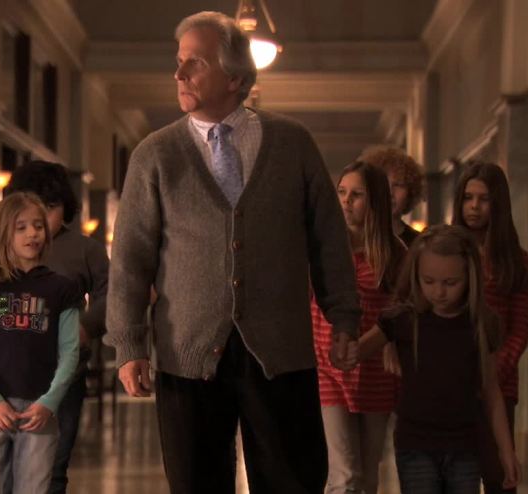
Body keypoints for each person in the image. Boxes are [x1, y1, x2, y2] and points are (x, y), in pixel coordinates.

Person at [104, 10, 361, 493]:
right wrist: (129, 345)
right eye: (179, 61)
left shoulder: (293, 144)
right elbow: (131, 260)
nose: (179, 74)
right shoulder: (155, 155)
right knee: (195, 482)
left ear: (236, 78)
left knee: (294, 480)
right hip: (186, 352)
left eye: (195, 63)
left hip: (280, 349)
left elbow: (328, 238)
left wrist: (343, 316)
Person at [0, 160, 109, 494]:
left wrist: (84, 329)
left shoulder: (73, 269)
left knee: (45, 478)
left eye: (41, 220)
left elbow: (81, 336)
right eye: (21, 226)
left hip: (47, 393)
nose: (34, 232)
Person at [359, 225, 521, 493]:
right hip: (415, 444)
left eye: (450, 283)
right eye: (429, 281)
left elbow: (492, 393)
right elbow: (356, 352)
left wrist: (506, 451)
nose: (439, 292)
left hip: (465, 446)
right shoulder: (403, 319)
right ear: (416, 276)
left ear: (469, 278)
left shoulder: (481, 324)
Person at [0, 192, 81, 494]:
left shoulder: (62, 288)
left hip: (39, 411)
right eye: (21, 227)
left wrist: (49, 403)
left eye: (38, 226)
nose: (32, 234)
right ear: (4, 232)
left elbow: (70, 352)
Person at [313, 161, 405, 494]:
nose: (346, 201)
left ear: (375, 201)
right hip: (328, 369)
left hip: (374, 372)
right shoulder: (321, 248)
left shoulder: (394, 254)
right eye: (342, 192)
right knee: (345, 476)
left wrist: (366, 346)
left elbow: (402, 313)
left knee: (367, 478)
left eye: (357, 194)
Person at [451, 161, 528, 494]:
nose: (474, 207)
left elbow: (520, 328)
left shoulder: (514, 259)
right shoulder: (448, 252)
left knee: (499, 475)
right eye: (468, 198)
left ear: (497, 204)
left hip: (499, 381)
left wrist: (494, 370)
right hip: (452, 378)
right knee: (455, 474)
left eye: (483, 199)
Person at [358, 146, 425, 248]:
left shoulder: (419, 244)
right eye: (381, 183)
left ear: (411, 192)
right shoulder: (350, 240)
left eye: (398, 185)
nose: (389, 193)